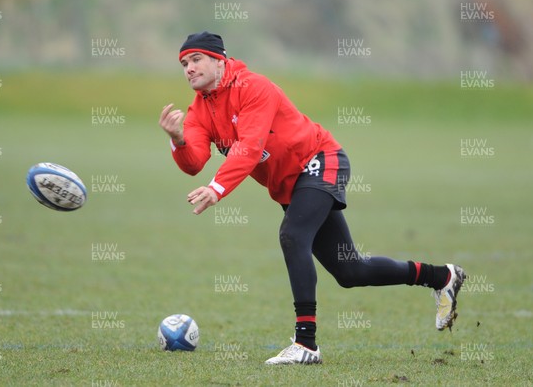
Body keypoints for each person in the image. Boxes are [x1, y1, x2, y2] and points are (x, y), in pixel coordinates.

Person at [158, 31, 466, 365]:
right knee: (351, 272)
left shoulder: (253, 87)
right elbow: (193, 164)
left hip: (321, 160)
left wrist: (217, 188)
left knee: (292, 235)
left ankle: (306, 344)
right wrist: (178, 140)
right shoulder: (201, 109)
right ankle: (441, 277)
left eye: (196, 59)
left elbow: (249, 148)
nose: (188, 68)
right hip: (292, 186)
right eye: (184, 63)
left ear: (219, 59)